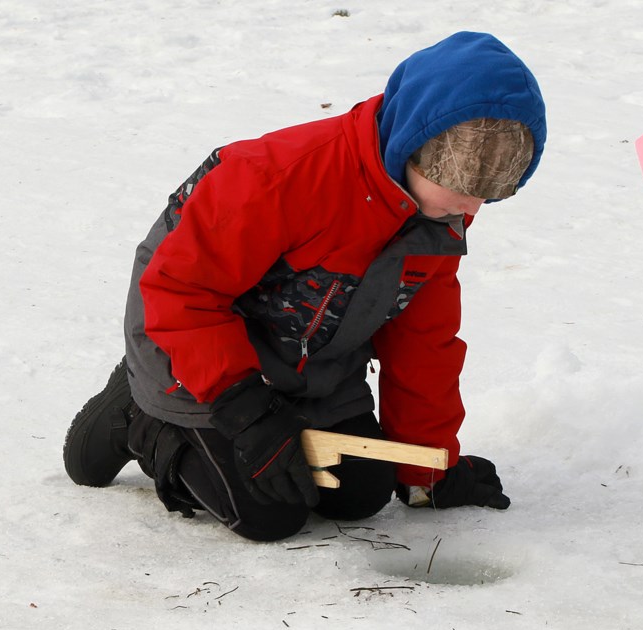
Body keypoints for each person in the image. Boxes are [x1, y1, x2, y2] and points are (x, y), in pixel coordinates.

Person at [63, 31, 546, 542]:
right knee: (268, 514)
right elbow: (182, 293)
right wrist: (249, 414)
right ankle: (139, 413)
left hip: (310, 359)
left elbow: (423, 343)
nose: (473, 209)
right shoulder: (279, 176)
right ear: (414, 143)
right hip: (187, 344)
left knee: (361, 493)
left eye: (492, 192)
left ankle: (266, 420)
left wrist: (429, 471)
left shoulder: (436, 213)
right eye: (463, 183)